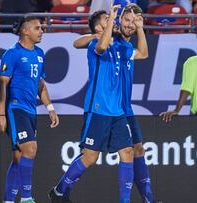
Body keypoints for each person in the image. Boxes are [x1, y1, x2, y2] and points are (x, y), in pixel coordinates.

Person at [49, 5, 135, 203]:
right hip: (98, 109)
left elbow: (133, 44)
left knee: (128, 152)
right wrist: (99, 32)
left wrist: (134, 24)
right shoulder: (94, 44)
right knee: (90, 158)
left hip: (118, 111)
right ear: (98, 28)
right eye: (107, 19)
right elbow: (95, 45)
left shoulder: (120, 46)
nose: (112, 21)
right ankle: (59, 190)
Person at [72, 4, 156, 202]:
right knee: (91, 155)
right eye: (126, 20)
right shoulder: (109, 42)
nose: (130, 24)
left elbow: (143, 54)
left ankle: (147, 198)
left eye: (133, 21)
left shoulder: (125, 46)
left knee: (136, 150)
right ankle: (60, 189)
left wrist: (140, 27)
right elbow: (78, 43)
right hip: (108, 107)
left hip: (124, 107)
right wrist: (103, 29)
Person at [0, 16, 60, 203]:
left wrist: (50, 108)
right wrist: (0, 114)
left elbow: (41, 85)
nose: (41, 31)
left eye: (41, 28)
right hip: (16, 108)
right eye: (37, 28)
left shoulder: (40, 53)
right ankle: (26, 198)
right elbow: (2, 84)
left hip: (31, 110)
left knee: (19, 157)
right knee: (31, 149)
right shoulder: (12, 53)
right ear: (25, 31)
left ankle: (8, 200)